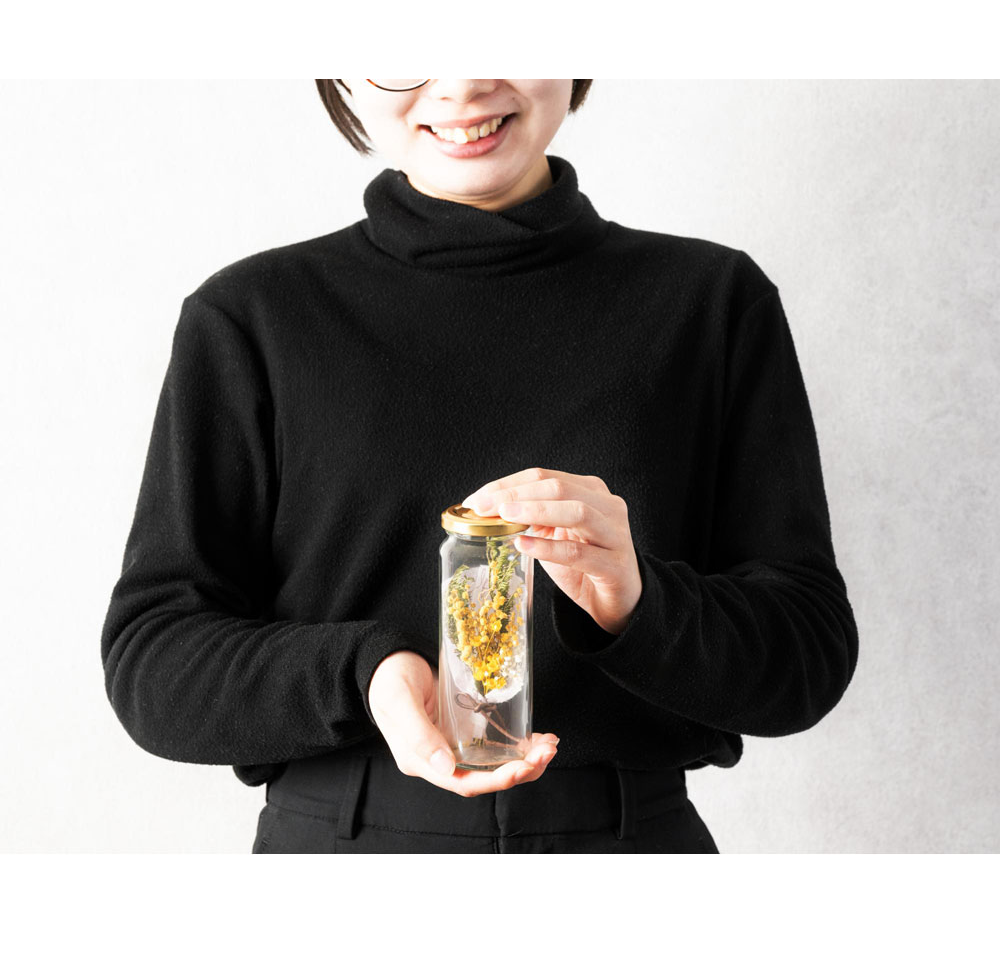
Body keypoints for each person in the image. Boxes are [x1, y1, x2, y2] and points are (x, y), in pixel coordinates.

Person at [101, 79, 859, 853]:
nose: (463, 83)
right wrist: (363, 674)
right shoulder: (251, 316)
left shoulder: (712, 302)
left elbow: (809, 655)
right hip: (339, 849)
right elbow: (152, 661)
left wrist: (637, 602)